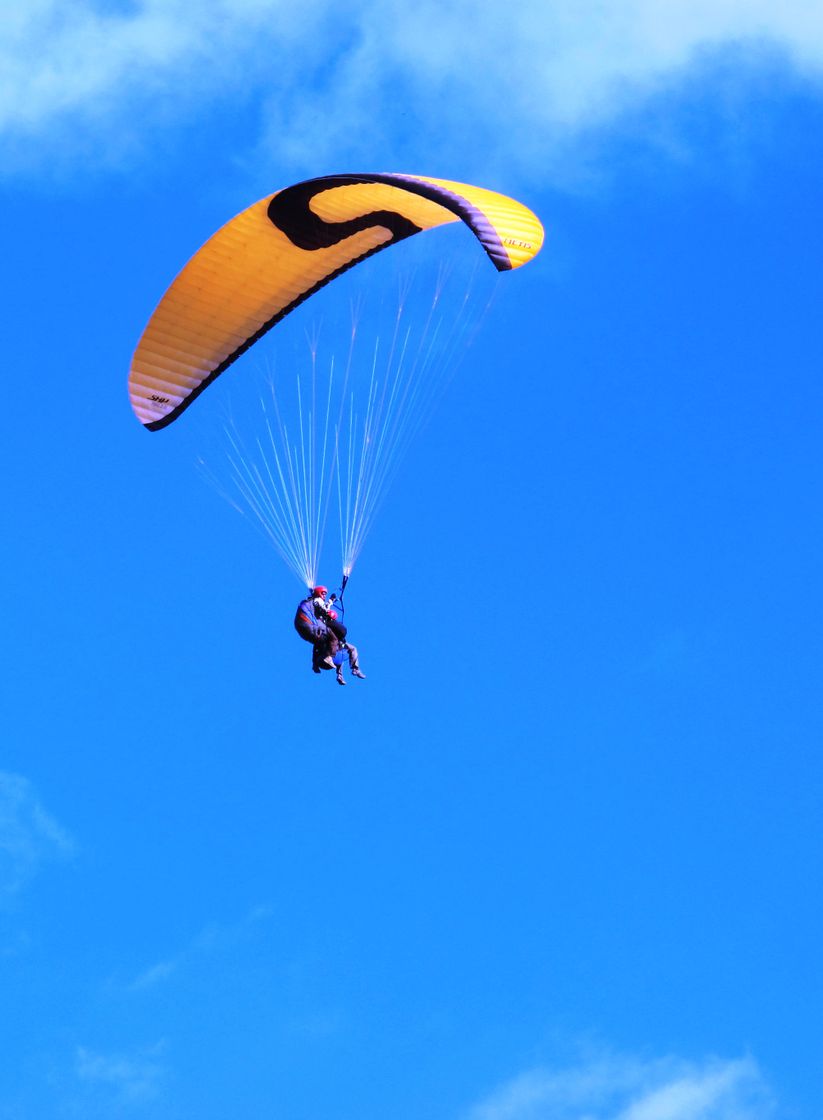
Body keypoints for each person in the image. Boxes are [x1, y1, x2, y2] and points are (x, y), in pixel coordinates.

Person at [293, 585, 365, 685]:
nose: (324, 595)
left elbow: (325, 607)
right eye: (323, 593)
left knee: (350, 649)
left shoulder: (324, 614)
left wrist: (331, 601)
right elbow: (324, 609)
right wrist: (314, 664)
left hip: (334, 646)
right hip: (324, 652)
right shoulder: (318, 604)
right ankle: (338, 673)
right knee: (333, 645)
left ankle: (354, 669)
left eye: (325, 594)